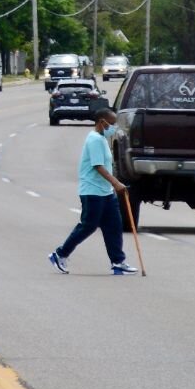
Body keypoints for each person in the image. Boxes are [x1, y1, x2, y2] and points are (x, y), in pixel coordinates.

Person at [48, 107, 138, 275]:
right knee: (88, 226)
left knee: (114, 226)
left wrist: (113, 185)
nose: (113, 127)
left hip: (105, 191)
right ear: (101, 122)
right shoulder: (94, 140)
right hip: (92, 191)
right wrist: (117, 183)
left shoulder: (102, 139)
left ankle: (118, 261)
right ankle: (60, 254)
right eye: (111, 124)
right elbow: (98, 166)